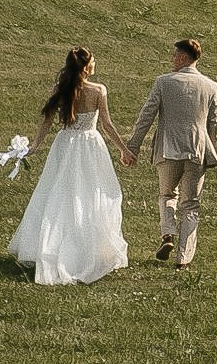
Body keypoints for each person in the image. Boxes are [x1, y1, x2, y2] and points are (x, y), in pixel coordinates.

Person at [8, 47, 131, 286]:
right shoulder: (98, 90)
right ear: (86, 67)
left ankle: (55, 245)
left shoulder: (61, 89)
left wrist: (34, 145)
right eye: (93, 60)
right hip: (89, 145)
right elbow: (107, 124)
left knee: (59, 193)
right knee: (93, 193)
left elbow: (47, 122)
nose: (95, 63)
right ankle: (89, 250)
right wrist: (123, 149)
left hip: (65, 144)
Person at [125, 38, 217, 271]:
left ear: (183, 57)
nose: (172, 59)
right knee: (191, 204)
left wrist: (132, 146)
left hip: (168, 149)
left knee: (166, 195)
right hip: (198, 150)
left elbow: (147, 116)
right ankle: (183, 258)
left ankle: (168, 235)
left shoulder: (164, 82)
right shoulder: (210, 85)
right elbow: (216, 126)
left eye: (175, 55)